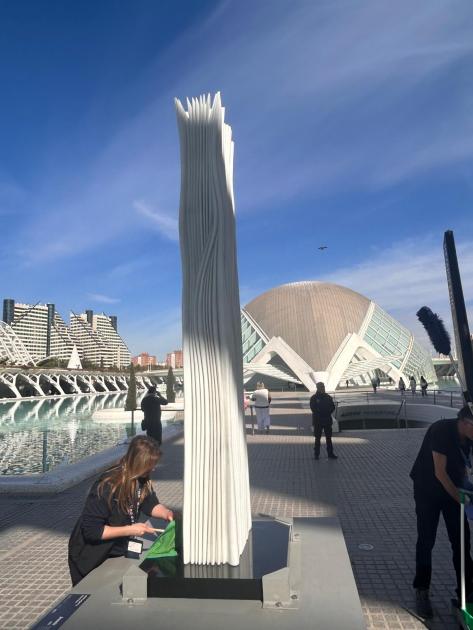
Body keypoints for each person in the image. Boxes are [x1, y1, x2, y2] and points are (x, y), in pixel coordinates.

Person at [68, 436, 174, 585]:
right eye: (151, 464)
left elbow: (150, 503)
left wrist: (166, 513)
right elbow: (92, 531)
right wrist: (130, 530)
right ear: (140, 463)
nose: (154, 468)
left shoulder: (141, 478)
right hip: (90, 557)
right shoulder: (107, 486)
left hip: (114, 551)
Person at [410, 405, 473, 619]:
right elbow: (440, 472)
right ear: (465, 422)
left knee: (462, 541)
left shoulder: (468, 437)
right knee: (427, 540)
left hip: (453, 489)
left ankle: (466, 592)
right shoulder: (441, 431)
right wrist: (462, 499)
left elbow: (465, 467)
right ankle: (422, 589)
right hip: (428, 489)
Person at [310, 382, 337, 460]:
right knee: (317, 438)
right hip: (318, 421)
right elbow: (313, 408)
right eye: (321, 387)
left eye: (323, 387)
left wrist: (327, 412)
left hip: (327, 420)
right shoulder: (314, 398)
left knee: (329, 438)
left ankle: (330, 453)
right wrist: (323, 412)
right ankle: (316, 454)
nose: (323, 388)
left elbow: (332, 407)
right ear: (317, 388)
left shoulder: (328, 397)